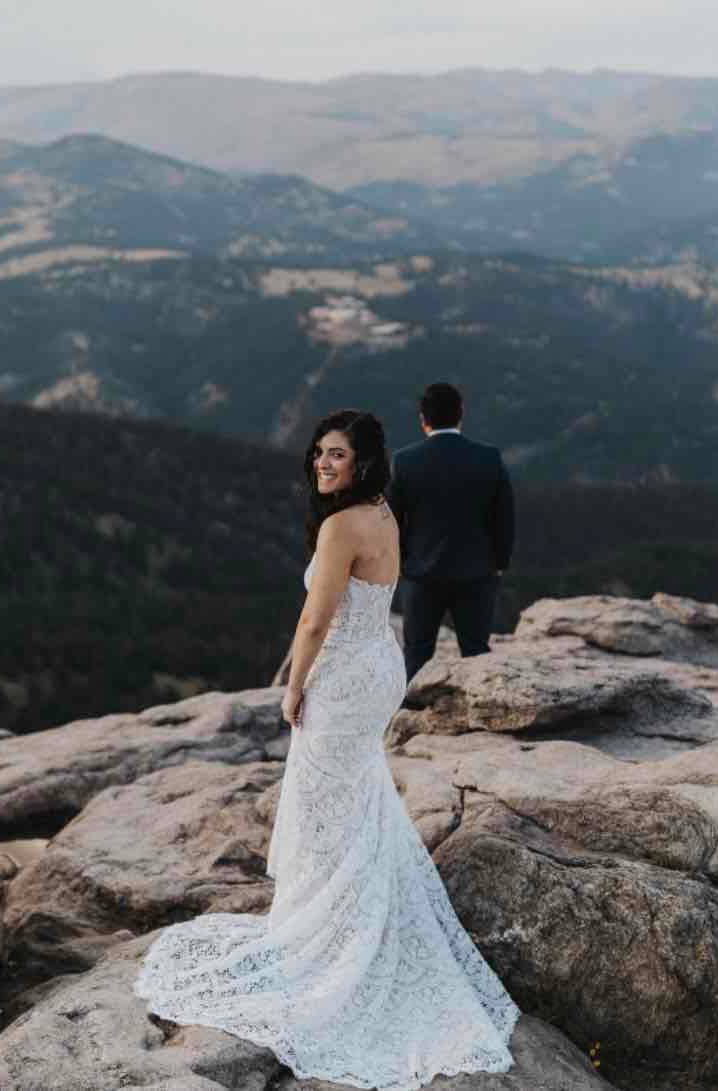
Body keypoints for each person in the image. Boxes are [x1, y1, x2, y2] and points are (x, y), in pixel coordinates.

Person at [134, 408, 519, 1090]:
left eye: (335, 453)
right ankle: (348, 916)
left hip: (342, 678)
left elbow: (316, 618)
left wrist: (293, 687)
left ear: (363, 460)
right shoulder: (381, 514)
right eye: (318, 452)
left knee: (319, 801)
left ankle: (329, 934)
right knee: (354, 795)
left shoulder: (343, 524)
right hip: (378, 665)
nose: (321, 462)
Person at [387, 383, 515, 682]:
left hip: (421, 575)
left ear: (423, 419)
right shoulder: (488, 458)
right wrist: (499, 564)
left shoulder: (405, 461)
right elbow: (504, 519)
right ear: (461, 415)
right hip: (477, 573)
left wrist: (404, 563)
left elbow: (391, 522)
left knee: (417, 653)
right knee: (476, 652)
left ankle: (413, 720)